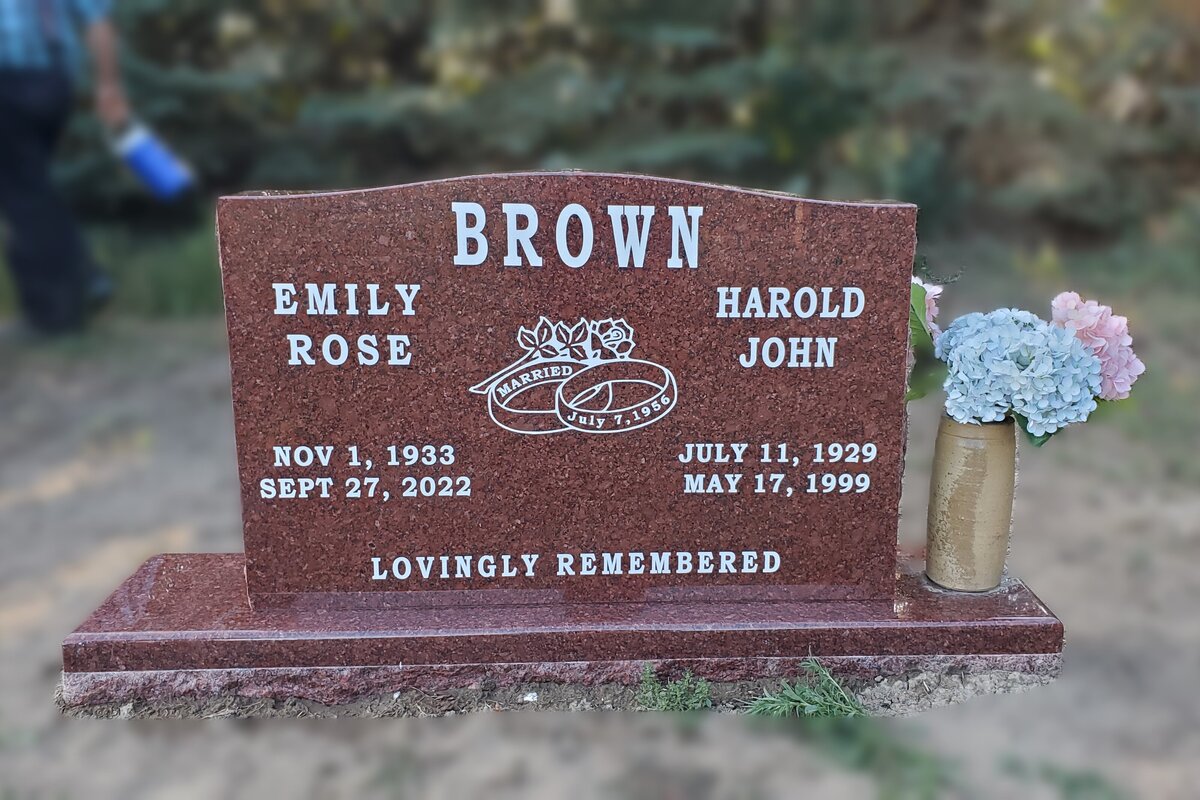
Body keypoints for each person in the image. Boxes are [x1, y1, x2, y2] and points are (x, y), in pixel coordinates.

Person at [0, 0, 129, 334]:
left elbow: (99, 21)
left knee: (25, 194)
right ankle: (78, 281)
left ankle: (59, 310)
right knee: (29, 189)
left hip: (14, 83)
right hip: (54, 82)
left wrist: (108, 87)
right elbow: (98, 21)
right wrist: (108, 85)